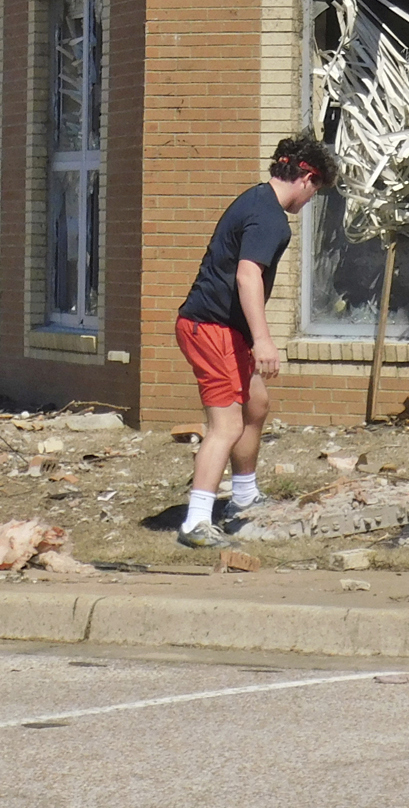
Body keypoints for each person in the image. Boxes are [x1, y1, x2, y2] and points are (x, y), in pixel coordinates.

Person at [173, 134, 338, 547]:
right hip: (211, 329)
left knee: (256, 404)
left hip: (223, 329)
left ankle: (243, 497)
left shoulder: (257, 200)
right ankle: (196, 522)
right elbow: (248, 275)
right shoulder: (270, 218)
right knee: (225, 425)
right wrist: (263, 341)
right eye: (315, 191)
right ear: (306, 177)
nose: (310, 200)